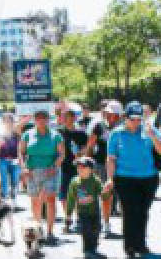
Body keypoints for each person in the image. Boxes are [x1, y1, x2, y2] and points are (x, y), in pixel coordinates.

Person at [105, 102, 161, 259]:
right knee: (129, 211)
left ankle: (141, 243)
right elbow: (111, 159)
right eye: (132, 118)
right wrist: (110, 179)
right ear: (125, 117)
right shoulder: (116, 134)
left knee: (142, 212)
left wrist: (153, 136)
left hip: (148, 178)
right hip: (124, 178)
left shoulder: (149, 130)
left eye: (138, 118)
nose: (135, 122)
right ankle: (130, 246)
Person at [19, 108, 64, 245]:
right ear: (34, 120)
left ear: (48, 119)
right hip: (32, 171)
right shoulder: (27, 134)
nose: (41, 120)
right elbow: (21, 153)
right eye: (38, 118)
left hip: (50, 170)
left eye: (43, 117)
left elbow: (62, 154)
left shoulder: (56, 135)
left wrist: (55, 166)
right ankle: (38, 229)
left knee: (50, 200)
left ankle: (50, 231)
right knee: (35, 201)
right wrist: (24, 168)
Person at [85, 101, 123, 236]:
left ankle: (127, 226)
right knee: (106, 195)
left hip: (122, 165)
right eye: (107, 113)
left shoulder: (124, 127)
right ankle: (106, 224)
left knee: (124, 196)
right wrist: (88, 163)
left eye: (111, 113)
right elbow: (90, 146)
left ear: (118, 115)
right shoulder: (98, 126)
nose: (108, 115)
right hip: (101, 164)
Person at [56, 104, 89, 232]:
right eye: (65, 116)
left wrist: (80, 152)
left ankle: (79, 219)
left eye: (70, 116)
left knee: (79, 194)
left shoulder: (81, 133)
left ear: (74, 118)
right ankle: (68, 219)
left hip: (78, 168)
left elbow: (87, 148)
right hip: (62, 168)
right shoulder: (59, 132)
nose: (67, 118)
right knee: (63, 196)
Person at [65, 156, 104, 259]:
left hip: (95, 211)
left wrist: (107, 191)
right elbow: (70, 198)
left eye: (83, 167)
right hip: (82, 212)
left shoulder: (96, 181)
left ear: (91, 169)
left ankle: (93, 248)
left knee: (96, 229)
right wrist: (68, 214)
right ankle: (87, 250)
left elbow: (103, 195)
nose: (79, 169)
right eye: (78, 167)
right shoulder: (75, 182)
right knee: (86, 230)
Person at [0, 113, 22, 201]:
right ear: (3, 122)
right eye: (5, 121)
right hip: (3, 160)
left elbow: (20, 147)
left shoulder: (17, 133)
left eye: (9, 120)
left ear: (13, 122)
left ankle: (14, 202)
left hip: (15, 160)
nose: (7, 122)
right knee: (4, 180)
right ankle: (4, 201)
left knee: (15, 181)